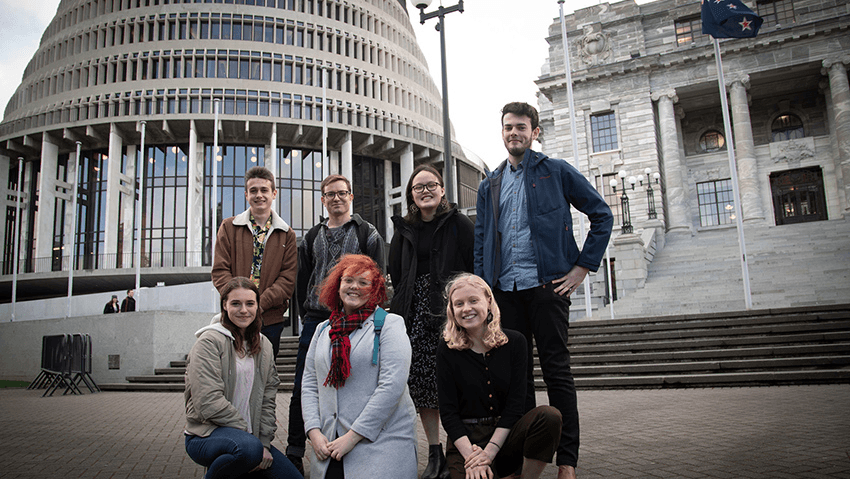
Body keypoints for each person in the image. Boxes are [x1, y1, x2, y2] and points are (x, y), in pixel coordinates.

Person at [474, 102, 614, 479]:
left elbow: (602, 214)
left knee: (557, 373)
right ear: (501, 131)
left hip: (548, 288)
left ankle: (567, 459)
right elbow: (482, 238)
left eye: (521, 127)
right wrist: (483, 288)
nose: (513, 133)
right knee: (517, 380)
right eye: (508, 127)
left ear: (534, 132)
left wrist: (583, 266)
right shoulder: (490, 184)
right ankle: (527, 459)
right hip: (505, 292)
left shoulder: (556, 171)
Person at [286, 174, 385, 473]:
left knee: (354, 384)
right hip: (317, 319)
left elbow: (377, 277)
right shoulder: (312, 236)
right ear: (323, 199)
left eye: (342, 193)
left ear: (351, 197)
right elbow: (302, 279)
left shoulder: (367, 232)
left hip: (357, 318)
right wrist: (309, 314)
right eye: (330, 194)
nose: (336, 198)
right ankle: (294, 450)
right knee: (304, 384)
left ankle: (354, 444)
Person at [389, 164, 474, 479]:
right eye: (418, 187)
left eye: (430, 185)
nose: (425, 191)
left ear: (442, 189)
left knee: (454, 382)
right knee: (423, 386)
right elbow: (396, 271)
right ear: (411, 194)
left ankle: (458, 452)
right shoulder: (404, 229)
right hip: (415, 313)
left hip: (452, 312)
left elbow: (474, 266)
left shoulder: (460, 224)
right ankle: (434, 453)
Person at [302, 254, 417, 479]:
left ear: (375, 290)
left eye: (363, 283)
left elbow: (392, 386)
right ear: (338, 285)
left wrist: (353, 436)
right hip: (329, 447)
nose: (355, 287)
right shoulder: (323, 330)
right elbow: (309, 384)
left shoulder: (390, 325)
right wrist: (314, 432)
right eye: (348, 281)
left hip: (380, 445)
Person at [437, 273, 561, 479]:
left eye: (473, 300)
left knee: (549, 416)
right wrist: (473, 458)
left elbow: (516, 405)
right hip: (467, 440)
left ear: (488, 301)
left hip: (506, 435)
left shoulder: (515, 343)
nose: (466, 308)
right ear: (452, 310)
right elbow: (448, 413)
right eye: (458, 304)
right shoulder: (447, 348)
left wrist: (490, 453)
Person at [184, 276, 302, 479]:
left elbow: (267, 400)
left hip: (252, 440)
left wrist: (263, 444)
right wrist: (251, 439)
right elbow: (208, 401)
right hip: (206, 435)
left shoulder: (264, 345)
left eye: (250, 303)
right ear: (224, 305)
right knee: (247, 451)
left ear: (257, 306)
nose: (244, 310)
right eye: (236, 303)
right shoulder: (209, 342)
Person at [212, 166, 297, 359]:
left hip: (270, 319)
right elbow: (220, 270)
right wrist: (241, 303)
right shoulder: (228, 227)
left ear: (274, 194)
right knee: (231, 374)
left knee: (264, 376)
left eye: (264, 190)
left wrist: (258, 305)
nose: (259, 195)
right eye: (253, 191)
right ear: (246, 194)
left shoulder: (287, 234)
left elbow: (287, 279)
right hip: (234, 317)